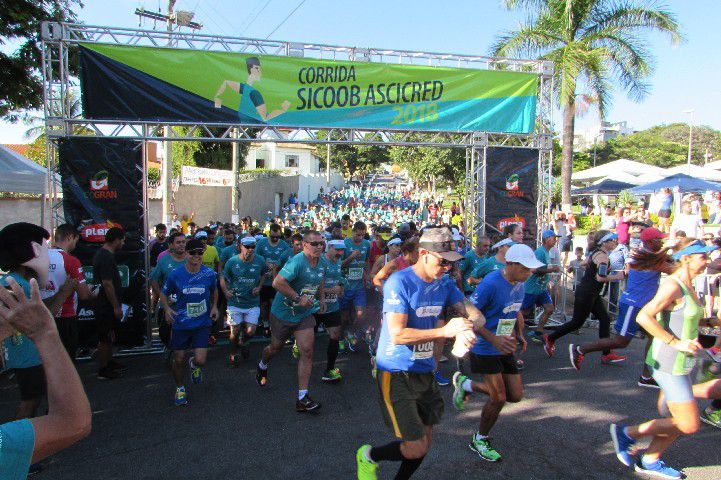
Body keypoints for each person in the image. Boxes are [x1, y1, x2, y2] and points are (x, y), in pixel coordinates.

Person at [355, 227, 480, 480]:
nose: (448, 268)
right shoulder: (399, 282)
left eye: (451, 262)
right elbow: (398, 334)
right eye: (443, 261)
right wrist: (445, 331)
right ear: (423, 253)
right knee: (415, 446)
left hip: (425, 371)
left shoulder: (444, 283)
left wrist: (467, 328)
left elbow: (475, 314)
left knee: (424, 444)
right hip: (396, 370)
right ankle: (369, 456)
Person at [610, 240, 721, 479]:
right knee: (689, 424)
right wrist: (676, 342)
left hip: (683, 361)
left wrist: (709, 323)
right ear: (689, 257)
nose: (708, 262)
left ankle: (650, 460)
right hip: (668, 361)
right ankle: (627, 433)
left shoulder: (689, 284)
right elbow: (644, 316)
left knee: (679, 419)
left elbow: (685, 318)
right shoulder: (673, 285)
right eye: (704, 257)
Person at [452, 244, 542, 462]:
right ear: (510, 264)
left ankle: (466, 384)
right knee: (498, 397)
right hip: (484, 346)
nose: (529, 273)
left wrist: (519, 334)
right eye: (525, 269)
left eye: (531, 269)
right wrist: (492, 338)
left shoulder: (520, 284)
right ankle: (480, 438)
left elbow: (512, 312)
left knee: (515, 395)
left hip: (504, 344)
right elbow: (468, 313)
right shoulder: (490, 284)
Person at [0, 275, 91, 480]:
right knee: (30, 399)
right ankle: (27, 455)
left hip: (31, 356)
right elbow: (74, 422)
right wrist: (44, 333)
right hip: (30, 357)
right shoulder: (3, 443)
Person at [569, 228, 672, 382]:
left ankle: (646, 375)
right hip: (633, 305)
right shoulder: (649, 259)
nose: (662, 242)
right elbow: (674, 269)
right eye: (660, 239)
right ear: (651, 242)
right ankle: (580, 349)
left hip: (644, 307)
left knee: (655, 337)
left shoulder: (648, 256)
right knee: (620, 342)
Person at [256, 230, 327, 412]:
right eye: (314, 244)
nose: (319, 247)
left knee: (307, 351)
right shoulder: (297, 261)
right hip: (283, 313)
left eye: (321, 243)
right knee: (275, 349)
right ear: (304, 244)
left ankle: (302, 397)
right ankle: (263, 363)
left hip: (304, 314)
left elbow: (320, 278)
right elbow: (277, 283)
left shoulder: (322, 261)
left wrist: (322, 298)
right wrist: (298, 298)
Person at [543, 232, 626, 361]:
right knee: (577, 323)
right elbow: (600, 277)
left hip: (591, 293)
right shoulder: (602, 257)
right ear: (604, 242)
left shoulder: (596, 253)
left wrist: (591, 267)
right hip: (587, 293)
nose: (616, 241)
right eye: (613, 239)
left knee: (605, 319)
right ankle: (550, 338)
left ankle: (606, 353)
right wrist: (618, 276)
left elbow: (583, 264)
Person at [160, 238, 219, 406]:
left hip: (201, 323)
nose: (196, 256)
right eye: (193, 253)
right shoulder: (176, 274)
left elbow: (214, 290)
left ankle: (194, 364)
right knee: (178, 358)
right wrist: (166, 308)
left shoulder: (208, 273)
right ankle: (180, 388)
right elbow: (164, 294)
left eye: (200, 253)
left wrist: (214, 307)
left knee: (201, 360)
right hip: (181, 323)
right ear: (186, 254)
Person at [43, 223, 95, 360]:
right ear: (71, 237)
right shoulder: (71, 260)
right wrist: (94, 293)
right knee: (66, 362)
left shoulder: (41, 257)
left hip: (42, 314)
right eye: (76, 241)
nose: (75, 245)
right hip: (65, 317)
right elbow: (84, 295)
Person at [221, 236, 268, 365]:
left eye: (253, 246)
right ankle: (233, 354)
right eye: (247, 246)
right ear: (240, 246)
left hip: (252, 302)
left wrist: (259, 286)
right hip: (235, 302)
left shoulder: (260, 260)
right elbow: (223, 277)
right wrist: (226, 291)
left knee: (251, 331)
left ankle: (244, 341)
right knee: (234, 331)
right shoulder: (232, 261)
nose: (250, 249)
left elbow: (264, 273)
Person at [92, 227, 127, 380]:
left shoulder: (106, 255)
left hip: (108, 305)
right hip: (105, 306)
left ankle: (109, 361)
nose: (123, 243)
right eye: (122, 240)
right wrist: (115, 306)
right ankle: (103, 369)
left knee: (110, 335)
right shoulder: (105, 256)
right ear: (116, 240)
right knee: (105, 338)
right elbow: (107, 283)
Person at [214, 56, 291, 122]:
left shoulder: (245, 89)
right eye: (257, 68)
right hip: (244, 127)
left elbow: (226, 82)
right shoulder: (254, 93)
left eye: (259, 69)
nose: (259, 72)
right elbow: (265, 118)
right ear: (251, 70)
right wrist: (282, 110)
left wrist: (217, 101)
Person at [316, 239, 347, 382]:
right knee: (308, 342)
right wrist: (330, 290)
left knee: (335, 334)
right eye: (337, 250)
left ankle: (329, 370)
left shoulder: (338, 261)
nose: (340, 253)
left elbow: (338, 278)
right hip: (315, 306)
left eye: (342, 250)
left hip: (332, 305)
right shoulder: (319, 261)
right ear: (329, 248)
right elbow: (313, 286)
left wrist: (341, 286)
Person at [150, 232, 187, 349]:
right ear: (171, 245)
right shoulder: (164, 261)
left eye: (183, 242)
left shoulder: (191, 259)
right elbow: (153, 279)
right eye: (178, 242)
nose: (181, 245)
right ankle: (170, 351)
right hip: (168, 306)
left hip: (187, 305)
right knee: (165, 335)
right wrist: (162, 295)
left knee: (185, 338)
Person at [522, 230, 560, 342]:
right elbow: (534, 270)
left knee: (549, 309)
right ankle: (512, 333)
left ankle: (538, 332)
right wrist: (552, 270)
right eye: (554, 238)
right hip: (532, 288)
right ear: (547, 239)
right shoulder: (540, 252)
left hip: (541, 288)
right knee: (524, 312)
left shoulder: (546, 252)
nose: (555, 240)